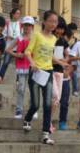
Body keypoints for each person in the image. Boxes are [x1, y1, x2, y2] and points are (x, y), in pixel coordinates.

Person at [23, 10, 62, 145]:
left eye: (55, 22)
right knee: (35, 104)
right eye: (50, 21)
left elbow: (50, 56)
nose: (53, 24)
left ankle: (46, 133)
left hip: (48, 72)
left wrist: (60, 62)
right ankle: (28, 118)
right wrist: (32, 63)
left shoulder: (54, 38)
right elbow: (27, 52)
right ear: (44, 22)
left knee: (48, 104)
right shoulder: (37, 35)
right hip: (36, 72)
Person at [6, 16, 34, 119]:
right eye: (25, 25)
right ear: (22, 26)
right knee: (21, 89)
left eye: (29, 25)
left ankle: (33, 109)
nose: (27, 27)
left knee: (32, 89)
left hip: (32, 66)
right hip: (21, 67)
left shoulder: (34, 38)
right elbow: (8, 49)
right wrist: (17, 55)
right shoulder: (19, 38)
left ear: (32, 27)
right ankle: (19, 110)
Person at [51, 19, 70, 131]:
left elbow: (67, 54)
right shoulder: (50, 39)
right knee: (55, 96)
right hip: (50, 70)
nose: (60, 31)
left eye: (62, 29)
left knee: (57, 99)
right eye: (58, 28)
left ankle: (49, 121)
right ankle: (48, 121)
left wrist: (64, 60)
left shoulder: (63, 41)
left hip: (60, 71)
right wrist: (59, 62)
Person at [0, 7, 22, 83]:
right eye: (17, 13)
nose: (18, 15)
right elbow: (3, 34)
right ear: (13, 14)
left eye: (19, 14)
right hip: (9, 47)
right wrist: (7, 36)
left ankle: (18, 79)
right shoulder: (7, 23)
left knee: (18, 64)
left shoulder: (20, 24)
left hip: (18, 47)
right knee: (5, 62)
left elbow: (22, 34)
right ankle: (0, 77)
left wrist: (19, 39)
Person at [58, 27, 74, 130]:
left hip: (65, 78)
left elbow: (71, 61)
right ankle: (48, 121)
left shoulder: (67, 47)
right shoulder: (53, 43)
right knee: (54, 100)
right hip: (55, 75)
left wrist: (68, 72)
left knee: (64, 102)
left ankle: (62, 121)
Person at [67, 23, 79, 96]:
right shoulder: (65, 37)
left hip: (72, 58)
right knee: (67, 74)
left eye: (74, 30)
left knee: (74, 74)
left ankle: (75, 90)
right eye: (72, 30)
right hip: (65, 57)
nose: (73, 32)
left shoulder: (75, 39)